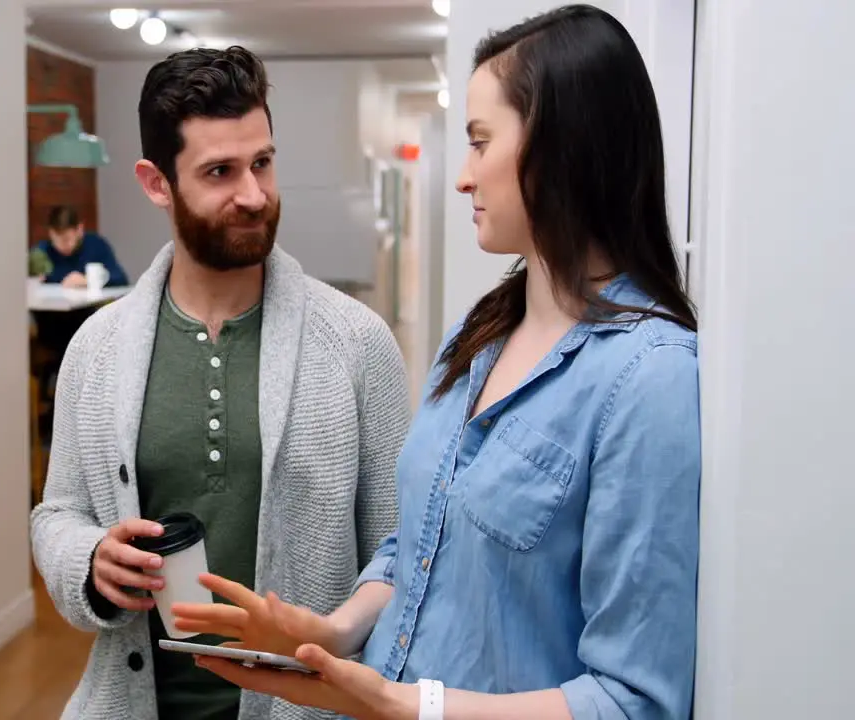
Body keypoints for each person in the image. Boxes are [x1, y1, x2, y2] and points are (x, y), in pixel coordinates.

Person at [172, 6, 701, 720]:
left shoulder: (649, 377)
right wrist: (331, 631)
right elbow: (413, 546)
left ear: (562, 149)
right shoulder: (477, 338)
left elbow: (632, 699)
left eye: (482, 143)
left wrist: (407, 706)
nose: (461, 177)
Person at [29, 46, 411, 720]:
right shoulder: (98, 348)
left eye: (262, 162)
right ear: (156, 183)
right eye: (219, 172)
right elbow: (56, 512)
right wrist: (89, 559)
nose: (254, 194)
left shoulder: (357, 344)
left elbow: (403, 549)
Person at [36, 205, 130, 288]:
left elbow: (120, 279)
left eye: (67, 240)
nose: (62, 246)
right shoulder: (42, 251)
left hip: (91, 306)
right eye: (56, 240)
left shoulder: (96, 244)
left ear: (79, 230)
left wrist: (88, 281)